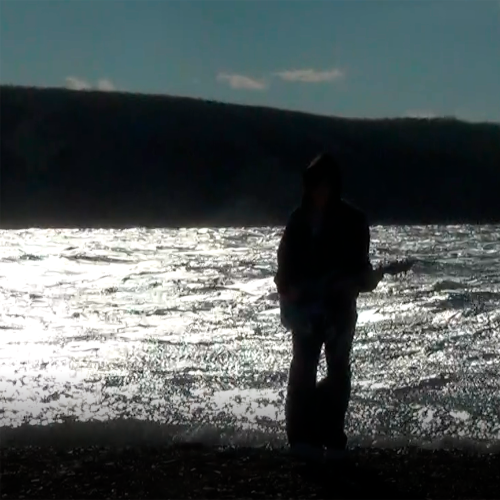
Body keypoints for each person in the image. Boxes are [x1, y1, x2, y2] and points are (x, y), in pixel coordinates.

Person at [274, 152, 382, 461]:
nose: (319, 190)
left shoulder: (353, 220)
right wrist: (288, 289)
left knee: (338, 372)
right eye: (314, 184)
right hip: (303, 311)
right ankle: (300, 440)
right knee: (302, 369)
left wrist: (364, 281)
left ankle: (332, 437)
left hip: (339, 311)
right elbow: (284, 267)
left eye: (325, 184)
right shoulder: (298, 220)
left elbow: (362, 269)